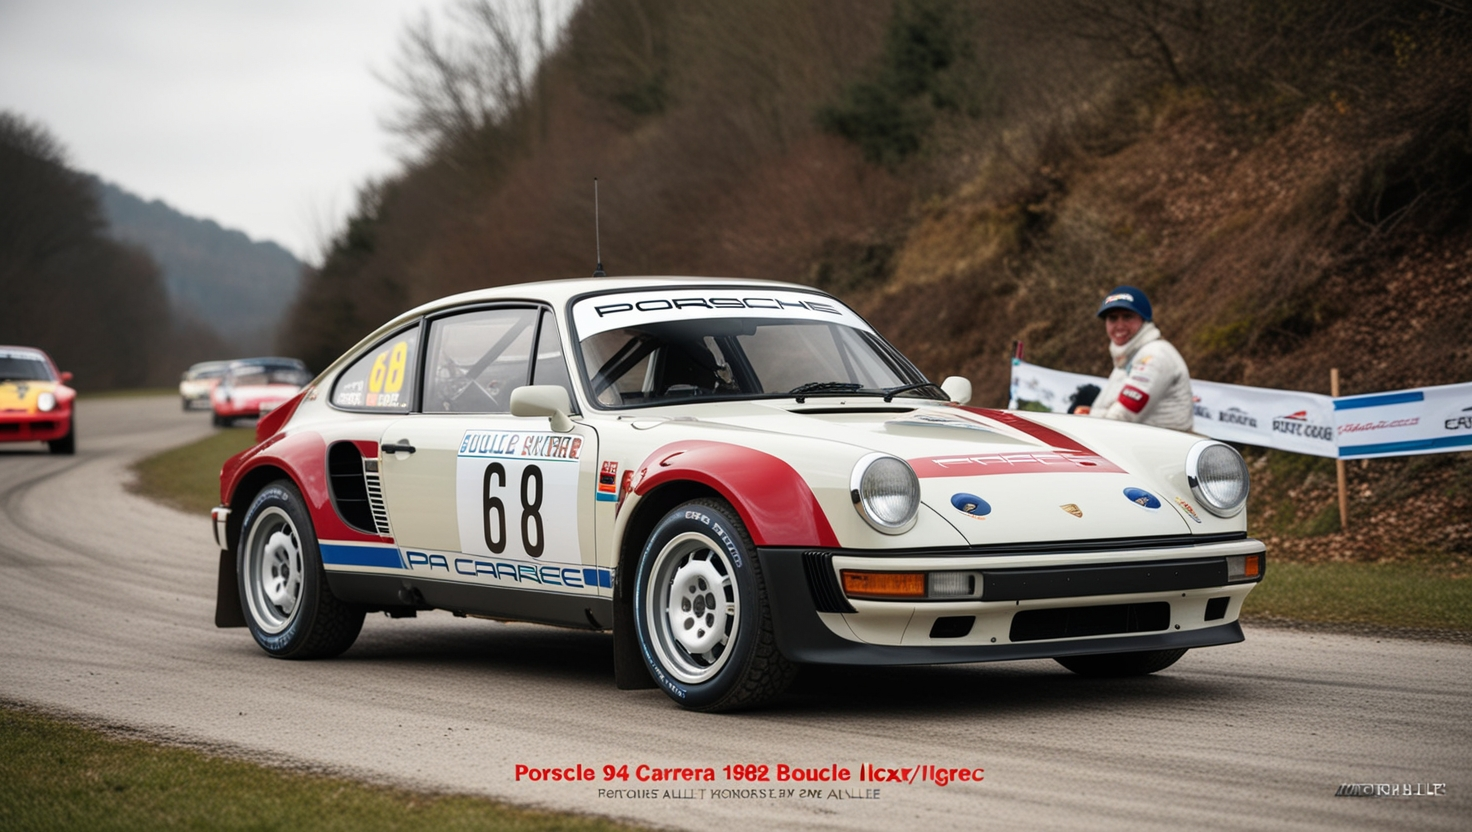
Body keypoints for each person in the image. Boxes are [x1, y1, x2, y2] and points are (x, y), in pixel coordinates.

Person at [1077, 285, 1194, 431]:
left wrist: (1082, 420)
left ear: (1144, 319)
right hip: (1143, 444)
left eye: (1127, 316)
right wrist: (1089, 413)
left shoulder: (1155, 355)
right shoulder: (1131, 355)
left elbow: (1122, 418)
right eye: (1112, 318)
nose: (1119, 325)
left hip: (1160, 449)